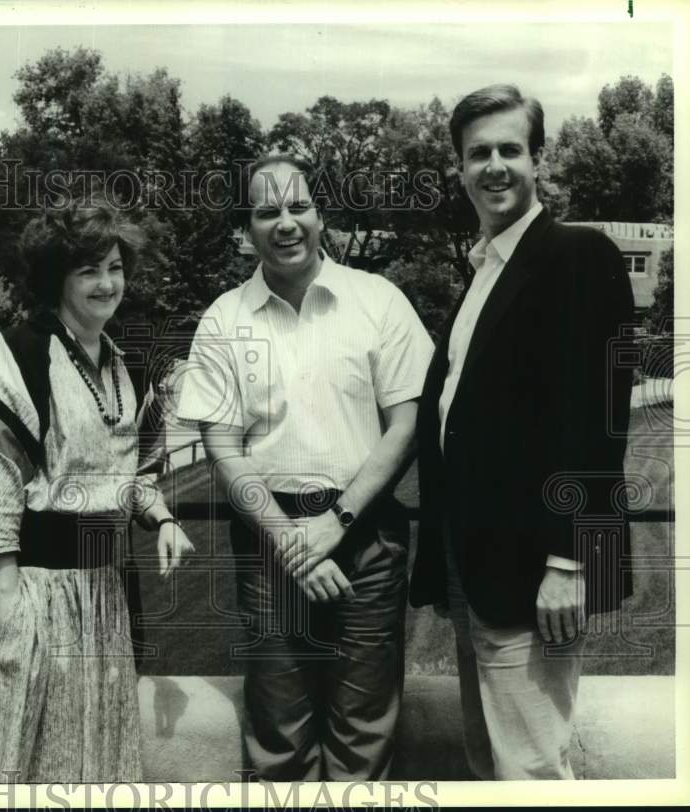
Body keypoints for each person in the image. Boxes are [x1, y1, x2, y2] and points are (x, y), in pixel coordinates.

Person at [176, 156, 434, 780]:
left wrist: (338, 522)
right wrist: (295, 544)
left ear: (321, 215)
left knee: (363, 738)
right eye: (267, 211)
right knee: (279, 740)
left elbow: (407, 425)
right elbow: (224, 447)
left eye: (298, 207)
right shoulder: (223, 320)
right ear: (246, 228)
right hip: (271, 544)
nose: (286, 223)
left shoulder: (378, 300)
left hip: (367, 534)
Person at [409, 84, 635, 780]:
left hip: (537, 568)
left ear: (539, 159)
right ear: (460, 169)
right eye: (479, 154)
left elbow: (598, 424)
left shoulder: (577, 256)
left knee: (531, 770)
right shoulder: (483, 270)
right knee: (490, 763)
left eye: (511, 149)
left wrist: (570, 562)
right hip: (474, 560)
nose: (495, 166)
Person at [0, 188, 193, 783]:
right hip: (33, 587)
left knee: (94, 759)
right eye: (89, 270)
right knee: (20, 760)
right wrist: (8, 606)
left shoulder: (119, 363)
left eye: (114, 268)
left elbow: (126, 477)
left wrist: (162, 518)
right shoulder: (16, 355)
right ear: (57, 277)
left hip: (103, 591)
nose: (107, 284)